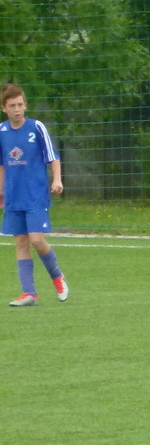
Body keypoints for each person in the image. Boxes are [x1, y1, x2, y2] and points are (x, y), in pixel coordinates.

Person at [2, 83, 69, 307]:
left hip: (35, 195)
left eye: (20, 104)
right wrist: (1, 190)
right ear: (4, 108)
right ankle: (29, 293)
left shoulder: (36, 127)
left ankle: (57, 277)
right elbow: (2, 165)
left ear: (25, 105)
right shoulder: (1, 132)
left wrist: (57, 179)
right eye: (12, 106)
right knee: (21, 242)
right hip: (14, 196)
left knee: (37, 240)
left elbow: (53, 157)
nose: (17, 109)